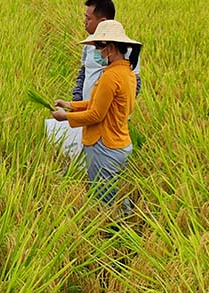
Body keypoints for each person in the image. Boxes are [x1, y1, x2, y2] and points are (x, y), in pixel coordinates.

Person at [51, 19, 142, 211]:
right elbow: (100, 104)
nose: (98, 53)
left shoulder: (110, 76)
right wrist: (70, 105)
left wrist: (65, 117)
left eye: (99, 48)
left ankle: (111, 233)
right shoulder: (127, 73)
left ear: (110, 48)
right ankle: (124, 227)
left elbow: (96, 115)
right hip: (119, 142)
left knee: (104, 200)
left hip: (104, 146)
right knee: (116, 194)